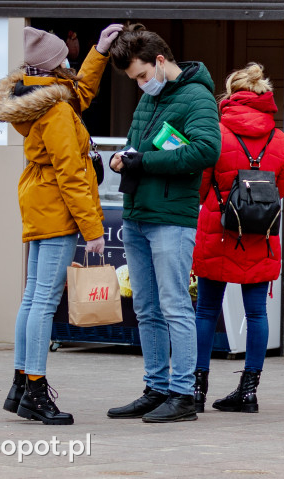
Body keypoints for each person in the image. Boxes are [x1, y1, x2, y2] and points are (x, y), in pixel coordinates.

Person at [0, 24, 118, 425]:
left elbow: (79, 91)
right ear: (57, 65)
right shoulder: (58, 110)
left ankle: (20, 381)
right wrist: (94, 229)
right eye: (67, 57)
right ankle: (35, 390)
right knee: (43, 301)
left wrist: (98, 52)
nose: (71, 62)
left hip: (39, 202)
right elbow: (72, 174)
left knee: (32, 298)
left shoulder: (36, 97)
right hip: (57, 208)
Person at [105, 24, 221, 423]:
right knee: (147, 307)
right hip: (137, 214)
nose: (140, 84)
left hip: (171, 218)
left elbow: (207, 150)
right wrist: (123, 157)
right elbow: (140, 145)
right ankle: (156, 387)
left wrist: (144, 162)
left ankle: (183, 394)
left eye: (141, 75)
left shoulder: (198, 96)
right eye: (133, 80)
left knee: (174, 306)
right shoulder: (150, 100)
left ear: (159, 61)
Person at [191, 63, 284, 413]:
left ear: (232, 94)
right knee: (257, 313)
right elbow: (279, 188)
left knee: (205, 310)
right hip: (259, 233)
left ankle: (196, 389)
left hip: (218, 229)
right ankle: (248, 391)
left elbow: (202, 186)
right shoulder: (279, 138)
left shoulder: (216, 132)